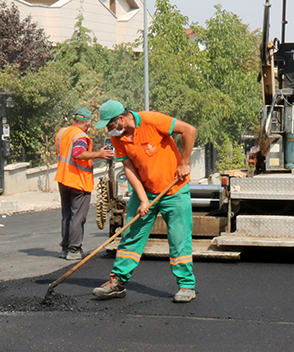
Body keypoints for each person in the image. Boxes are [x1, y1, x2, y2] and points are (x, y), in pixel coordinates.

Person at [91, 100, 198, 303]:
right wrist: (141, 199)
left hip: (174, 189)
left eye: (110, 125)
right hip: (146, 191)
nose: (109, 130)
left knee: (178, 239)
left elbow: (189, 130)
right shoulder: (118, 139)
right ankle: (118, 282)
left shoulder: (152, 120)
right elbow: (129, 169)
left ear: (121, 119)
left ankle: (186, 285)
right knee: (131, 235)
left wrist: (184, 162)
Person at [54, 107, 115, 261]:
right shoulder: (81, 136)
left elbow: (63, 153)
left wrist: (95, 155)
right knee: (78, 216)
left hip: (63, 178)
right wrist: (100, 154)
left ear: (74, 120)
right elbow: (78, 154)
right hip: (78, 181)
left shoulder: (62, 133)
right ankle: (74, 249)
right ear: (87, 124)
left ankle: (65, 247)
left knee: (67, 214)